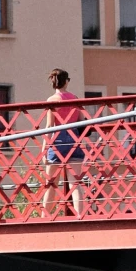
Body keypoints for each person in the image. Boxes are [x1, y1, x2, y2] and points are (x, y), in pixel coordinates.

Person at [42, 67, 85, 219]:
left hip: (57, 139)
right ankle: (80, 216)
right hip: (74, 138)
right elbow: (81, 121)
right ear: (66, 81)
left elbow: (49, 126)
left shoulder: (51, 101)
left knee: (52, 184)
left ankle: (45, 217)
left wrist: (44, 149)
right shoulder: (75, 98)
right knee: (75, 183)